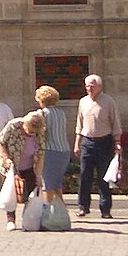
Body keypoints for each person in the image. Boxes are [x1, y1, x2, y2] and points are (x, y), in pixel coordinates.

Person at [75, 73, 121, 219]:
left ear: (99, 87)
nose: (89, 88)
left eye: (92, 86)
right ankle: (83, 207)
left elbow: (115, 122)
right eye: (87, 86)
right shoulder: (83, 101)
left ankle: (105, 209)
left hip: (104, 142)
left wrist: (117, 142)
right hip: (87, 142)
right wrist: (77, 143)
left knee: (103, 177)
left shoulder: (108, 101)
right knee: (84, 175)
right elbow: (79, 123)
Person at [0, 110, 43, 230]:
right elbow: (0, 142)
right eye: (30, 131)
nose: (32, 134)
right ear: (25, 125)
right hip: (11, 165)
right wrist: (6, 158)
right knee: (10, 194)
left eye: (34, 133)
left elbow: (41, 154)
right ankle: (10, 220)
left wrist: (38, 175)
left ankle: (28, 220)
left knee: (30, 193)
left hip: (29, 166)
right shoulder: (13, 125)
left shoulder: (40, 132)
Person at [35, 86, 72, 199]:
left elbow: (41, 133)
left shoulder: (42, 113)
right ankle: (60, 211)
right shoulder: (61, 114)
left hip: (49, 151)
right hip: (64, 150)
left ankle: (48, 212)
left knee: (47, 184)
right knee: (57, 184)